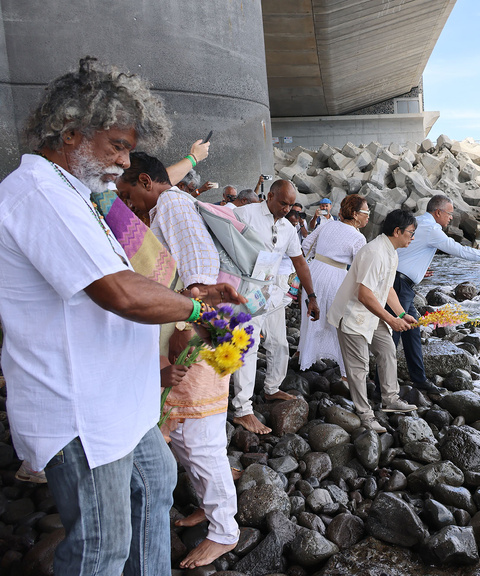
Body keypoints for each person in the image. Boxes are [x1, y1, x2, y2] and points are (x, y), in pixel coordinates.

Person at [0, 57, 244, 576]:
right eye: (116, 146)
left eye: (130, 151)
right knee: (100, 549)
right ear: (70, 133)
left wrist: (183, 315)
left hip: (125, 405)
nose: (123, 164)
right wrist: (196, 309)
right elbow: (119, 292)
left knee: (153, 493)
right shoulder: (40, 194)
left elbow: (146, 277)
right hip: (85, 414)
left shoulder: (84, 197)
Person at [116, 152, 240, 569]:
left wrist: (186, 329)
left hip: (201, 331)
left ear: (147, 182)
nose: (127, 202)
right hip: (209, 327)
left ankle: (226, 530)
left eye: (127, 191)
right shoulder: (166, 202)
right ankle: (211, 505)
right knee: (188, 428)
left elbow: (200, 269)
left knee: (198, 433)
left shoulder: (172, 205)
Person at [392, 195, 480, 393]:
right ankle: (382, 389)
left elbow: (405, 253)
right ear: (438, 212)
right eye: (449, 213)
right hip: (399, 287)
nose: (451, 218)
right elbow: (459, 250)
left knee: (412, 329)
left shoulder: (419, 223)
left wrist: (420, 270)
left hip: (400, 283)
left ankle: (419, 379)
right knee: (394, 334)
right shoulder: (432, 229)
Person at [232, 179, 320, 434]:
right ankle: (243, 410)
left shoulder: (288, 228)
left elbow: (300, 262)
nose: (287, 209)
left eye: (291, 205)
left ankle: (271, 388)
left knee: (280, 343)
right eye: (283, 203)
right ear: (269, 196)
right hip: (246, 291)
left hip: (270, 291)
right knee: (248, 346)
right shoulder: (244, 214)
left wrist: (311, 296)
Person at [327, 209, 419, 433]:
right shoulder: (374, 252)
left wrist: (399, 314)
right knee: (359, 367)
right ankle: (365, 414)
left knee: (387, 349)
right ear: (397, 231)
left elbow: (386, 288)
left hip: (371, 313)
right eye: (410, 233)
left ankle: (390, 399)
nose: (412, 238)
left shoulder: (392, 252)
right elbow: (364, 295)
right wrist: (391, 319)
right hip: (352, 315)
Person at [298, 194, 369, 375]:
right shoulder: (358, 237)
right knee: (338, 321)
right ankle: (346, 372)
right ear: (354, 214)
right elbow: (362, 268)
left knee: (311, 316)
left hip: (313, 272)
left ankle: (305, 356)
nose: (368, 215)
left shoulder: (327, 224)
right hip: (336, 277)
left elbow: (306, 246)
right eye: (365, 212)